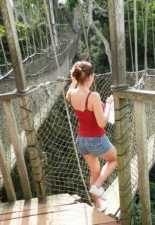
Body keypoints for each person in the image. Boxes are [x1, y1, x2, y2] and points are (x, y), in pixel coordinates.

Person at [66, 61, 117, 212]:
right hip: (96, 140)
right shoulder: (93, 96)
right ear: (88, 77)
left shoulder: (71, 94)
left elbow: (68, 94)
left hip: (82, 141)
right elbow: (101, 123)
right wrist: (108, 105)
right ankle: (96, 186)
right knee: (115, 159)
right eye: (93, 74)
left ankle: (98, 205)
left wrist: (74, 81)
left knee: (94, 171)